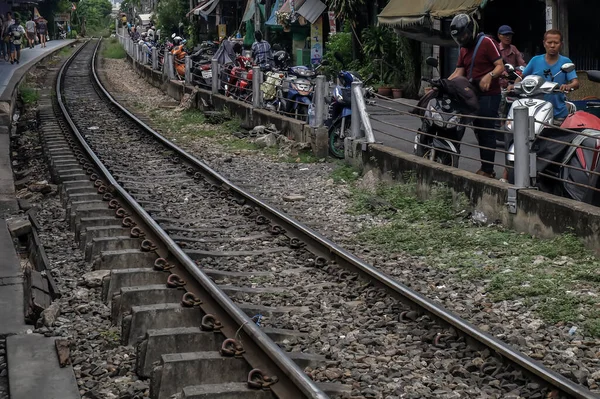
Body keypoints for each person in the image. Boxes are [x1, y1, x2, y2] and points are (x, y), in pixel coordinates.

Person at [448, 13, 505, 178]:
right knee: (476, 130)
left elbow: (499, 66)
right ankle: (483, 166)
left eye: (464, 34)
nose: (463, 38)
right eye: (460, 37)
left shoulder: (487, 42)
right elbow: (459, 71)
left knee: (486, 130)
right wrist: (444, 83)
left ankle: (488, 170)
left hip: (489, 95)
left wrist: (489, 76)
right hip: (471, 94)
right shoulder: (464, 47)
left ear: (471, 30)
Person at [513, 29, 579, 121]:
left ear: (561, 44)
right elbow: (521, 78)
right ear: (544, 43)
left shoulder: (566, 62)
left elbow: (575, 83)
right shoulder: (535, 60)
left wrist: (568, 86)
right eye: (549, 42)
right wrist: (514, 86)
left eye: (556, 43)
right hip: (535, 111)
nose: (552, 46)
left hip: (558, 111)